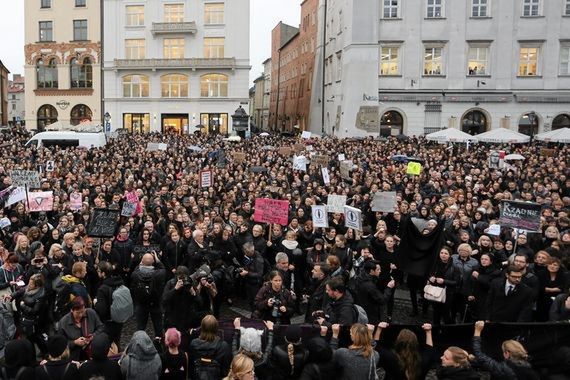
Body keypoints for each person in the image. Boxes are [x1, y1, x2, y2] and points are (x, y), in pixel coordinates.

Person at [473, 321, 540, 379]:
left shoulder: (503, 369)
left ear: (507, 354)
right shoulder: (530, 368)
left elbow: (479, 354)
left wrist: (477, 331)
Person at [11, 272, 48, 354]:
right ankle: (39, 353)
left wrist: (23, 306)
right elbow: (20, 291)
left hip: (35, 320)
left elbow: (35, 310)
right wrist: (11, 296)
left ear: (37, 285)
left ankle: (42, 353)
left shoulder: (41, 294)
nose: (29, 285)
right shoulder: (28, 287)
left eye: (31, 284)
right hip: (26, 317)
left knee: (35, 338)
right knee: (33, 338)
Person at [130, 252, 166, 338]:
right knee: (158, 327)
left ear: (141, 261)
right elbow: (163, 268)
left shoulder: (135, 274)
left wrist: (141, 262)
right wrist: (157, 260)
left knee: (140, 327)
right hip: (156, 303)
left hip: (141, 303)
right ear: (153, 261)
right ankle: (159, 343)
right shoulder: (159, 274)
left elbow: (135, 270)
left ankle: (139, 343)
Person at [58, 296, 104, 361]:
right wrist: (74, 342)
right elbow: (60, 344)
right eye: (77, 313)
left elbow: (101, 327)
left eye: (82, 312)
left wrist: (93, 336)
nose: (80, 315)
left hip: (92, 353)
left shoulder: (91, 313)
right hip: (73, 357)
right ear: (71, 310)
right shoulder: (63, 322)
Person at [94, 260, 126, 347]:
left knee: (107, 344)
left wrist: (95, 303)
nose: (97, 273)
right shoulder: (120, 282)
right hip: (120, 319)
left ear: (103, 273)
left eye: (98, 271)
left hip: (108, 321)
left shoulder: (103, 289)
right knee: (117, 341)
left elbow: (102, 310)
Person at [162, 265, 197, 346]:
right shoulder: (171, 283)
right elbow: (164, 299)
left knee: (185, 343)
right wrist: (175, 289)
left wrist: (194, 293)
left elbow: (199, 302)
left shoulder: (190, 283)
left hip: (186, 319)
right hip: (172, 319)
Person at [189, 315, 232, 379]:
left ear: (202, 327)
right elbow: (226, 370)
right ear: (216, 328)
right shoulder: (224, 346)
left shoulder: (193, 343)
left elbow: (191, 367)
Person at [425, 246, 460, 324]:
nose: (443, 255)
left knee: (446, 314)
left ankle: (447, 332)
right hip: (435, 292)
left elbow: (457, 282)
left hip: (447, 293)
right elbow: (429, 274)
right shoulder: (435, 263)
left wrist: (444, 281)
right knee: (435, 314)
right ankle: (435, 331)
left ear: (450, 255)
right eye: (441, 253)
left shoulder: (455, 267)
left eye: (446, 253)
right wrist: (430, 278)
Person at [352, 260, 394, 324]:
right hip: (370, 313)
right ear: (371, 271)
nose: (380, 271)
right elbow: (382, 300)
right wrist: (389, 287)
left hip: (360, 307)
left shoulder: (360, 277)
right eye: (378, 269)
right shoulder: (370, 286)